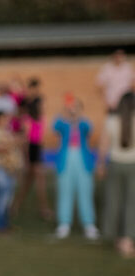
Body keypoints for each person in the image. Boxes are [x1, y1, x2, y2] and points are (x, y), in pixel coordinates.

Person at [51, 94, 99, 240]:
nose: (73, 109)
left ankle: (89, 224)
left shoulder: (84, 122)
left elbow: (88, 129)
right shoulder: (63, 122)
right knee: (65, 191)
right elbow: (55, 126)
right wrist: (64, 111)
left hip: (82, 161)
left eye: (76, 107)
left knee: (85, 192)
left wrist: (77, 117)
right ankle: (64, 223)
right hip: (66, 160)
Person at [98, 91, 135, 258]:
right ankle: (127, 239)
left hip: (115, 163)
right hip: (132, 164)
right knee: (131, 203)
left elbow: (103, 146)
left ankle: (115, 235)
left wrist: (100, 165)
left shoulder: (111, 121)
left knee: (114, 200)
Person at [11, 78, 53, 221]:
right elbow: (27, 141)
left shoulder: (40, 119)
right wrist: (27, 158)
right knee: (31, 181)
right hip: (31, 149)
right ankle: (39, 208)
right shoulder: (28, 119)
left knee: (34, 181)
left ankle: (19, 206)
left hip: (37, 148)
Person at [96, 50, 134, 115]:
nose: (118, 58)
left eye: (120, 56)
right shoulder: (107, 68)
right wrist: (106, 101)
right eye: (117, 56)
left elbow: (133, 84)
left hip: (126, 103)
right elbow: (99, 85)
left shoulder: (127, 68)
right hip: (112, 104)